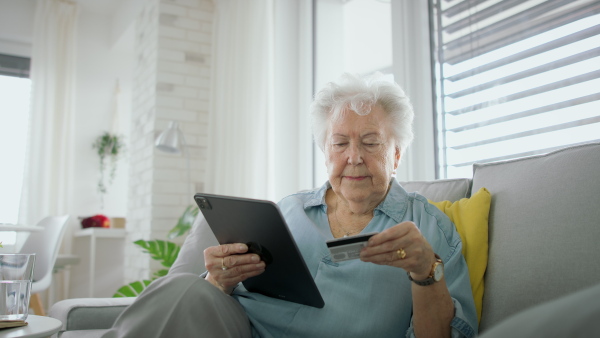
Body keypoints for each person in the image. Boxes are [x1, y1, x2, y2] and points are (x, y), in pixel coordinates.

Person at [103, 73, 477, 338]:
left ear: (396, 154)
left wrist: (427, 272)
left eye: (371, 142)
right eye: (340, 143)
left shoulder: (430, 229)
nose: (354, 157)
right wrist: (221, 280)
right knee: (181, 289)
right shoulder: (287, 211)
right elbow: (223, 301)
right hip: (245, 329)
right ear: (324, 151)